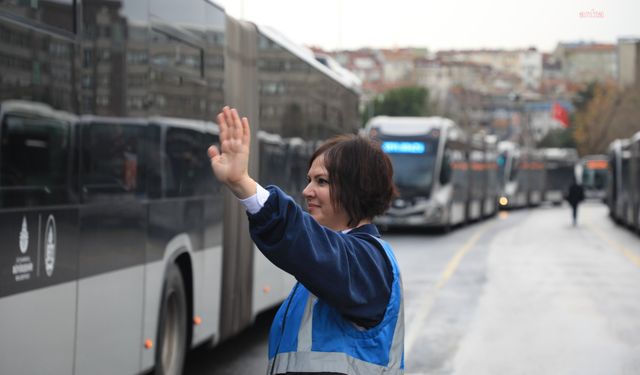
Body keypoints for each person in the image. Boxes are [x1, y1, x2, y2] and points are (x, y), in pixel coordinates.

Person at [208, 106, 404, 375]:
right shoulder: (338, 259)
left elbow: (303, 239)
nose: (306, 191)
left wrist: (243, 184)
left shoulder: (368, 262)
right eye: (309, 179)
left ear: (358, 188)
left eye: (321, 181)